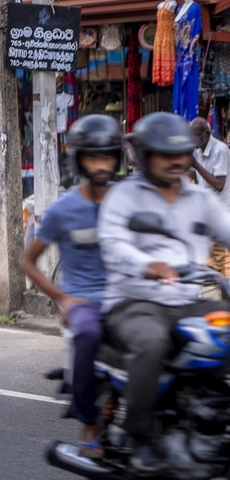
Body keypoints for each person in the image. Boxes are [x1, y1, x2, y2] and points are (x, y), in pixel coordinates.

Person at [97, 112, 230, 475]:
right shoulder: (124, 196)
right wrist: (148, 265)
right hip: (135, 301)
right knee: (151, 343)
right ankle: (141, 440)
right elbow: (113, 244)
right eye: (166, 153)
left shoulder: (198, 198)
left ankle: (216, 421)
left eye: (180, 152)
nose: (176, 161)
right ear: (147, 155)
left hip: (186, 301)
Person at [19, 115, 123, 459]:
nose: (101, 165)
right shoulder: (64, 209)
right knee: (89, 334)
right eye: (93, 158)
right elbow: (28, 262)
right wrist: (62, 299)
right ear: (80, 161)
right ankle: (89, 428)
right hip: (84, 302)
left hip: (126, 297)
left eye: (107, 157)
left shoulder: (126, 201)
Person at [188, 117, 230, 277]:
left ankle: (229, 298)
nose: (193, 139)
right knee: (211, 261)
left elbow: (219, 184)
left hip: (225, 212)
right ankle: (214, 295)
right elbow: (191, 174)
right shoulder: (197, 150)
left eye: (196, 135)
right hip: (209, 213)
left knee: (223, 261)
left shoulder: (220, 150)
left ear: (207, 133)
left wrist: (196, 164)